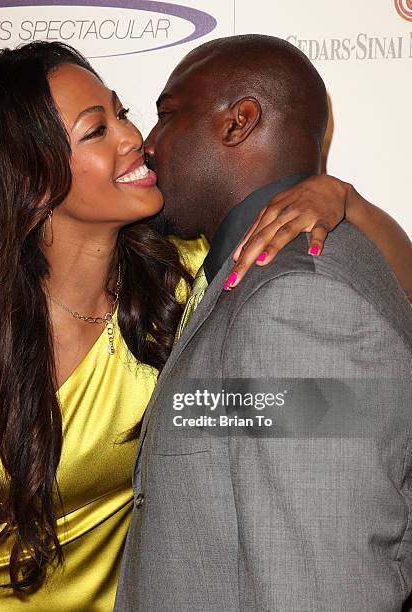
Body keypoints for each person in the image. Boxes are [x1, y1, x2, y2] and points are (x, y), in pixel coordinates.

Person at [0, 40, 409, 612]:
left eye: (122, 112)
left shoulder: (183, 278)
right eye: (95, 130)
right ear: (30, 180)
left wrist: (343, 199)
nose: (135, 138)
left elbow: (390, 295)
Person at [114, 34, 412, 611]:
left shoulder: (294, 305)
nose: (148, 144)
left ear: (239, 122)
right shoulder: (251, 273)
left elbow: (325, 590)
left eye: (167, 116)